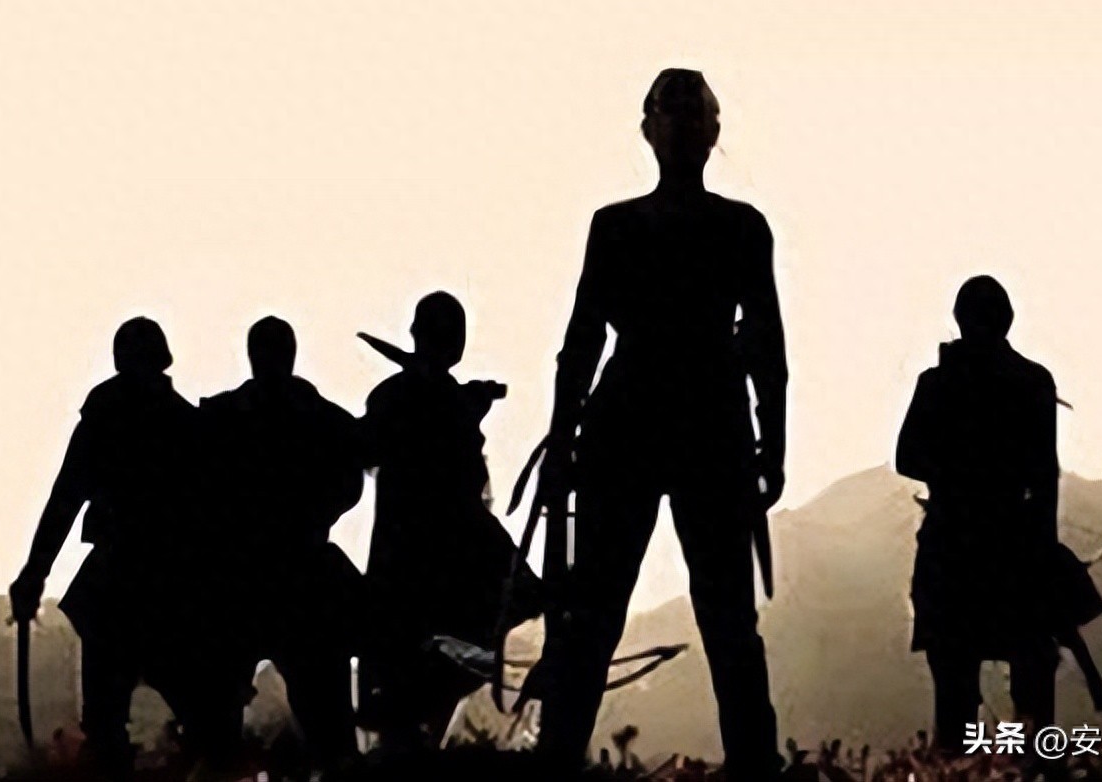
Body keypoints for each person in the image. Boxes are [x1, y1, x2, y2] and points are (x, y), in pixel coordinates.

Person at [534, 69, 788, 780]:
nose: (679, 126)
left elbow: (766, 342)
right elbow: (582, 340)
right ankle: (559, 759)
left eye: (689, 113)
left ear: (711, 130)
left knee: (718, 616)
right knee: (603, 611)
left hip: (682, 425)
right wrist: (560, 441)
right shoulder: (629, 226)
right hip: (661, 424)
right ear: (650, 128)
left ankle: (751, 765)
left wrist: (774, 440)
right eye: (669, 113)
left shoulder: (733, 229)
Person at [9, 318, 202, 779]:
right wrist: (34, 574)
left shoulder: (112, 420)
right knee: (173, 717)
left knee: (131, 721)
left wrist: (35, 573)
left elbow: (65, 501)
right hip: (163, 585)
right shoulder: (183, 424)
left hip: (132, 585)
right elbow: (65, 501)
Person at [355, 292, 542, 749]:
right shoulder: (424, 400)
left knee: (451, 647)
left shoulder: (404, 397)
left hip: (417, 552)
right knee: (455, 643)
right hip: (434, 551)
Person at [895, 276, 1062, 755]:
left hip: (953, 543)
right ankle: (1034, 765)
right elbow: (1046, 479)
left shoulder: (939, 383)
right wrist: (1046, 554)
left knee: (955, 685)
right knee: (1029, 680)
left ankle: (961, 764)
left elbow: (908, 458)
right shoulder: (1032, 382)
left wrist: (956, 475)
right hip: (1013, 544)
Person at [198, 316, 365, 772]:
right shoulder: (321, 419)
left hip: (245, 578)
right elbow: (350, 478)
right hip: (295, 576)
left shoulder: (222, 418)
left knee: (223, 718)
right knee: (325, 719)